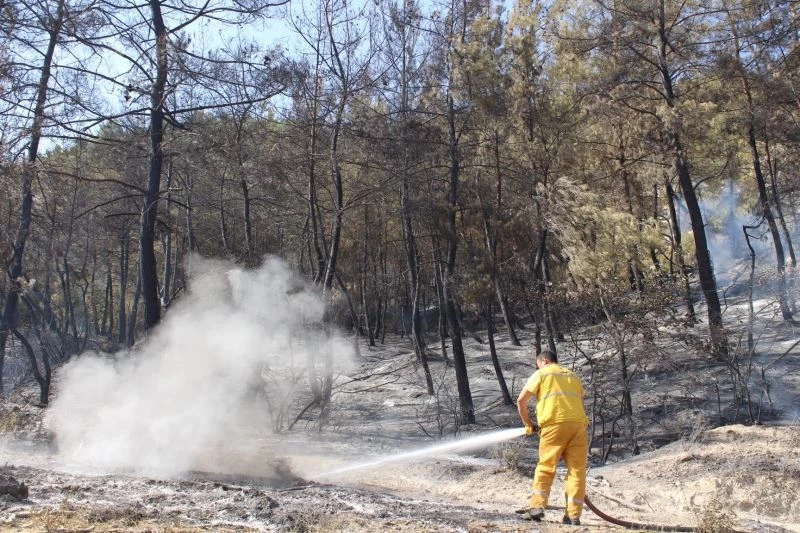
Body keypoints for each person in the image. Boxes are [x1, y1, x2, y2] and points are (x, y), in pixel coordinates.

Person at [516, 349, 589, 525]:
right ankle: (573, 516)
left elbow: (521, 401)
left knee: (546, 466)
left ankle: (536, 508)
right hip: (579, 426)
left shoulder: (542, 373)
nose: (538, 367)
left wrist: (528, 424)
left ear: (544, 361)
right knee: (577, 472)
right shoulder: (573, 376)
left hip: (554, 424)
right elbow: (579, 402)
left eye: (538, 364)